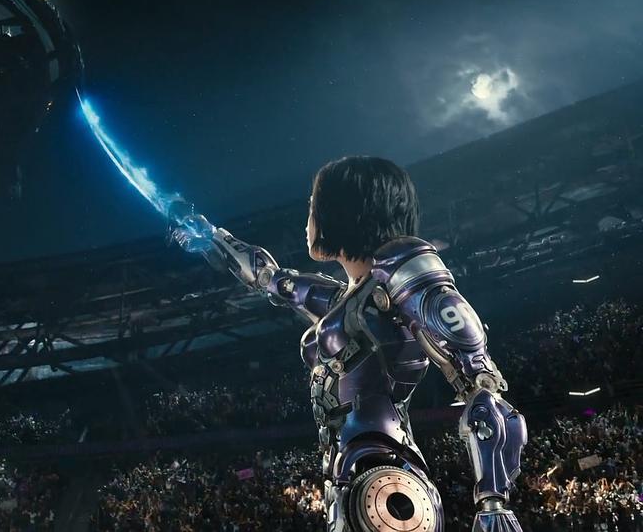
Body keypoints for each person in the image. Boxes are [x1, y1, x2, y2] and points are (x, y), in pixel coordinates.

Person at [170, 156, 527, 532]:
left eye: (313, 207)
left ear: (342, 210)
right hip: (352, 470)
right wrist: (211, 236)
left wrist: (493, 503)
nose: (307, 221)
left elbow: (482, 384)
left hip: (386, 477)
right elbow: (270, 279)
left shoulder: (400, 272)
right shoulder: (347, 301)